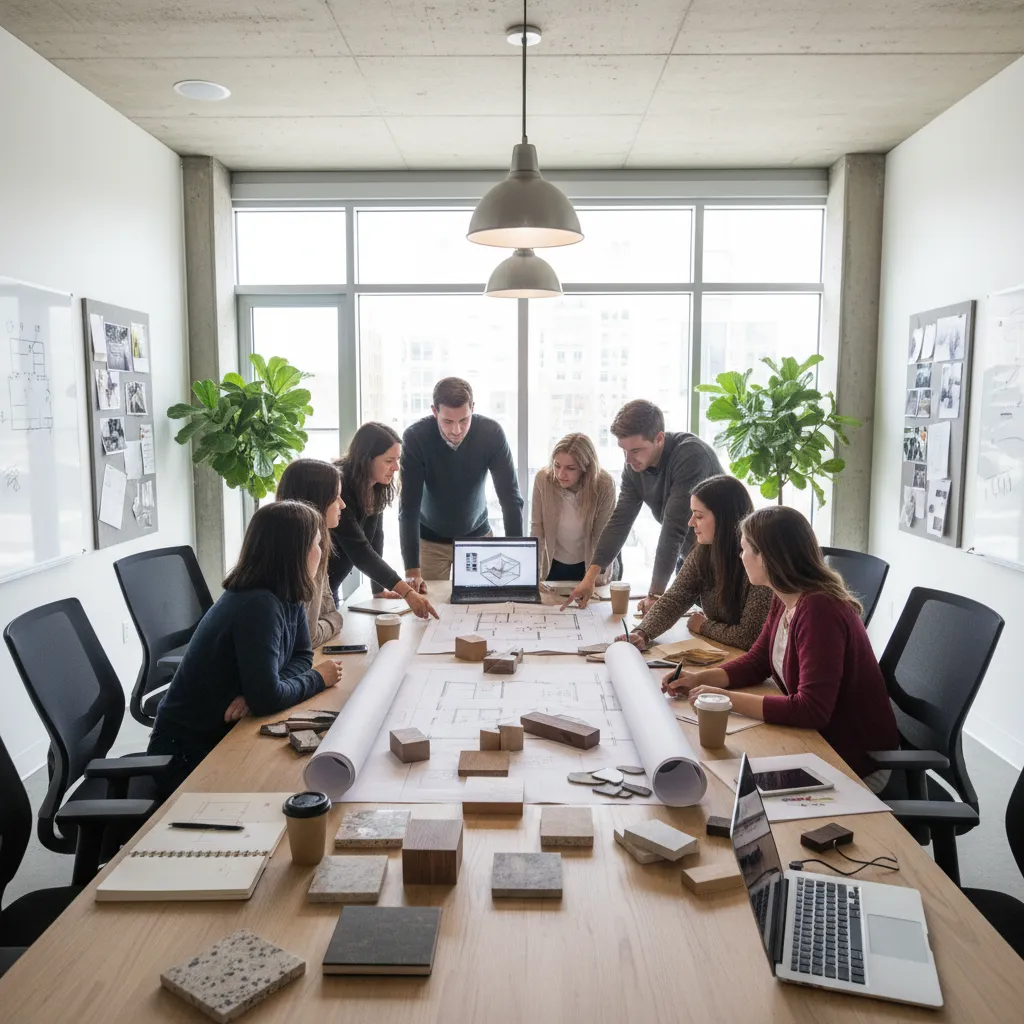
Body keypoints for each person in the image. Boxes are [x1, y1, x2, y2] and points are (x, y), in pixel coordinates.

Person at [662, 506, 899, 790]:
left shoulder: (819, 609)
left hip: (853, 759)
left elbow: (811, 709)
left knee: (732, 790)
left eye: (744, 550)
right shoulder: (785, 595)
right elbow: (757, 661)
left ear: (767, 557)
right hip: (819, 740)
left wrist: (724, 699)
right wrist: (699, 678)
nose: (741, 557)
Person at [148, 501, 342, 794]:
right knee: (288, 787)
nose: (321, 551)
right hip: (185, 753)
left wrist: (261, 693)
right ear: (295, 553)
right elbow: (274, 693)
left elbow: (302, 656)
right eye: (316, 543)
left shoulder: (288, 592)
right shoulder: (258, 604)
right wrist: (318, 678)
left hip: (223, 732)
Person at [562, 399, 723, 612]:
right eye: (623, 450)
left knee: (716, 627)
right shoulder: (633, 468)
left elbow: (673, 528)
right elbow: (620, 521)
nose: (628, 460)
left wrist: (655, 595)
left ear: (659, 439)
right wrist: (589, 578)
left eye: (636, 450)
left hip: (724, 559)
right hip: (690, 557)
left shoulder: (691, 456)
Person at [620, 475, 771, 651]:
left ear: (724, 518)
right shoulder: (704, 553)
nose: (691, 523)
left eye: (699, 516)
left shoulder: (759, 560)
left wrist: (703, 626)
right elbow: (675, 598)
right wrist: (642, 632)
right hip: (725, 652)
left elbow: (750, 637)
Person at [400, 376, 524, 583]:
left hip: (478, 538)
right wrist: (412, 571)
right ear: (434, 412)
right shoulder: (415, 437)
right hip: (429, 542)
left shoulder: (491, 434)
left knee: (481, 608)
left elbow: (510, 499)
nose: (456, 430)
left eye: (464, 420)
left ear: (472, 408)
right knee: (429, 608)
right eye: (447, 421)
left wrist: (516, 555)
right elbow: (408, 507)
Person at [328, 422, 438, 619]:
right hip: (317, 584)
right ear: (366, 459)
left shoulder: (374, 485)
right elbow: (360, 550)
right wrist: (408, 593)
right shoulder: (339, 486)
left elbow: (375, 538)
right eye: (389, 461)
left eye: (397, 460)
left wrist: (378, 590)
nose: (396, 467)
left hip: (332, 583)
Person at [276, 458, 344, 647]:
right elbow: (306, 637)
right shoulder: (296, 555)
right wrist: (335, 621)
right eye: (336, 496)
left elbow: (330, 611)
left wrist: (333, 619)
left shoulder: (316, 546)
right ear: (317, 500)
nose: (343, 504)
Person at [531, 433, 616, 582]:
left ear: (585, 469)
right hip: (552, 563)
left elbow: (603, 536)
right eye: (557, 465)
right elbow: (537, 527)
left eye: (570, 468)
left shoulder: (604, 484)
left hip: (589, 564)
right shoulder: (543, 479)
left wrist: (598, 576)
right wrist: (533, 570)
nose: (560, 474)